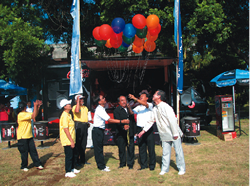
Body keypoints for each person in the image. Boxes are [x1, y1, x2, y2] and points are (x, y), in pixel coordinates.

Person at [139, 90, 185, 175]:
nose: (153, 95)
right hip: (164, 133)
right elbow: (151, 120)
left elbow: (173, 120)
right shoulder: (155, 108)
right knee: (165, 152)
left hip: (173, 131)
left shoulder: (166, 107)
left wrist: (175, 133)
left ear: (159, 96)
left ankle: (181, 168)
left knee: (178, 151)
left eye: (155, 94)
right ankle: (164, 169)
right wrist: (143, 131)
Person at [92, 94, 129, 172]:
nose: (104, 99)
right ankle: (101, 166)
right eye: (102, 98)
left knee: (100, 148)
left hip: (100, 130)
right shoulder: (99, 109)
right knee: (98, 149)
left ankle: (102, 165)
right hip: (97, 130)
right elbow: (109, 120)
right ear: (99, 101)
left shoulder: (102, 108)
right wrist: (122, 121)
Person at [128, 91, 156, 171]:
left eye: (142, 96)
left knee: (150, 148)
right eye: (140, 96)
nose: (141, 97)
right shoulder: (138, 107)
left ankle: (152, 165)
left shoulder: (150, 105)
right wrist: (129, 107)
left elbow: (145, 104)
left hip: (148, 128)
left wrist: (134, 98)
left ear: (147, 98)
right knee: (141, 147)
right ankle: (143, 165)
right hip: (140, 128)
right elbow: (131, 112)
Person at [16, 100, 44, 172]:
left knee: (33, 151)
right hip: (22, 137)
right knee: (24, 152)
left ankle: (37, 164)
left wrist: (37, 107)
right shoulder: (21, 115)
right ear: (24, 107)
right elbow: (33, 115)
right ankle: (24, 166)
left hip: (29, 136)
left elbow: (34, 114)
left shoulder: (26, 113)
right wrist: (35, 106)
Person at [113, 96, 136, 169]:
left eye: (125, 100)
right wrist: (123, 127)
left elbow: (132, 118)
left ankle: (130, 164)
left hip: (130, 131)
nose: (124, 102)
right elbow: (117, 121)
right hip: (121, 132)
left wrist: (129, 108)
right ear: (119, 102)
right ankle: (122, 163)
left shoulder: (129, 109)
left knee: (131, 148)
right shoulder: (117, 110)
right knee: (122, 148)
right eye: (122, 101)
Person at [59, 99, 80, 178]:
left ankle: (72, 168)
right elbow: (65, 129)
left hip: (72, 138)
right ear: (64, 107)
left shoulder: (69, 115)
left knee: (74, 154)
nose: (70, 105)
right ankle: (68, 171)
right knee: (69, 155)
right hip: (67, 139)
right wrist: (71, 141)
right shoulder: (64, 116)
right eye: (68, 104)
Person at [72, 94, 91, 166]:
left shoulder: (85, 108)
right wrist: (77, 102)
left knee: (84, 142)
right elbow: (77, 111)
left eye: (82, 99)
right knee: (78, 143)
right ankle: (76, 160)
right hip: (78, 124)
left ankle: (82, 159)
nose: (82, 100)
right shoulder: (74, 107)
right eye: (80, 99)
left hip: (84, 125)